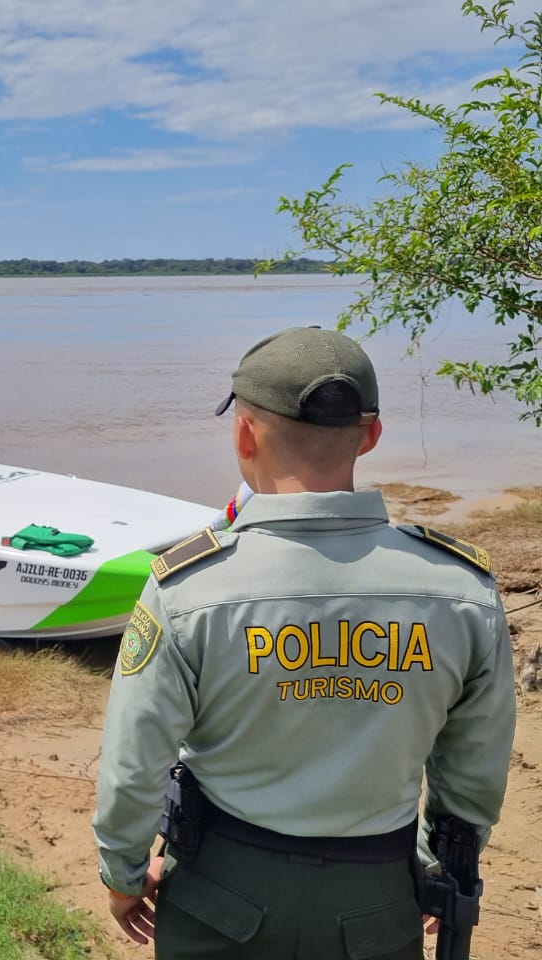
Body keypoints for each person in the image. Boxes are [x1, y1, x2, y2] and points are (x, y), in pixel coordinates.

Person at [92, 326, 516, 959]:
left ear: (244, 434)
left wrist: (123, 874)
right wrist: (435, 866)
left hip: (220, 892)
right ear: (371, 435)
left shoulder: (188, 588)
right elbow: (474, 772)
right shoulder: (461, 589)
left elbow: (135, 761)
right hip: (377, 897)